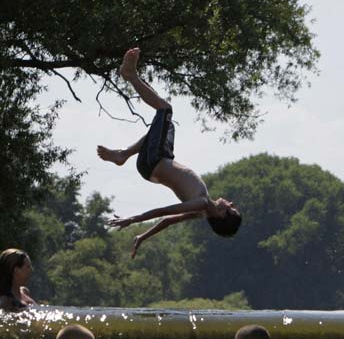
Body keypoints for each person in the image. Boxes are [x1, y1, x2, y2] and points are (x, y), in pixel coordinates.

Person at [97, 47, 241, 258]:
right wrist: (143, 236)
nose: (230, 203)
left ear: (221, 214)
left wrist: (134, 219)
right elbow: (167, 222)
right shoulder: (198, 211)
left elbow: (163, 211)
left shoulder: (201, 204)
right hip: (155, 162)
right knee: (168, 127)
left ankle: (130, 76)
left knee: (165, 109)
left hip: (154, 160)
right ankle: (123, 154)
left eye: (231, 208)